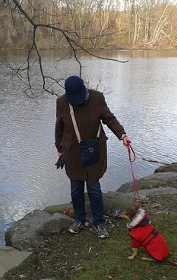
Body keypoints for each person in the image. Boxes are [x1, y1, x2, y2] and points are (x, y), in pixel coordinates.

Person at [55, 75, 130, 239]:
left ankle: (99, 222)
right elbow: (59, 127)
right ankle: (79, 220)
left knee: (94, 188)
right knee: (76, 189)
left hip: (93, 149)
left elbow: (109, 119)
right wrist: (59, 149)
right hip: (72, 152)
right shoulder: (61, 102)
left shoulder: (97, 98)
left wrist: (122, 135)